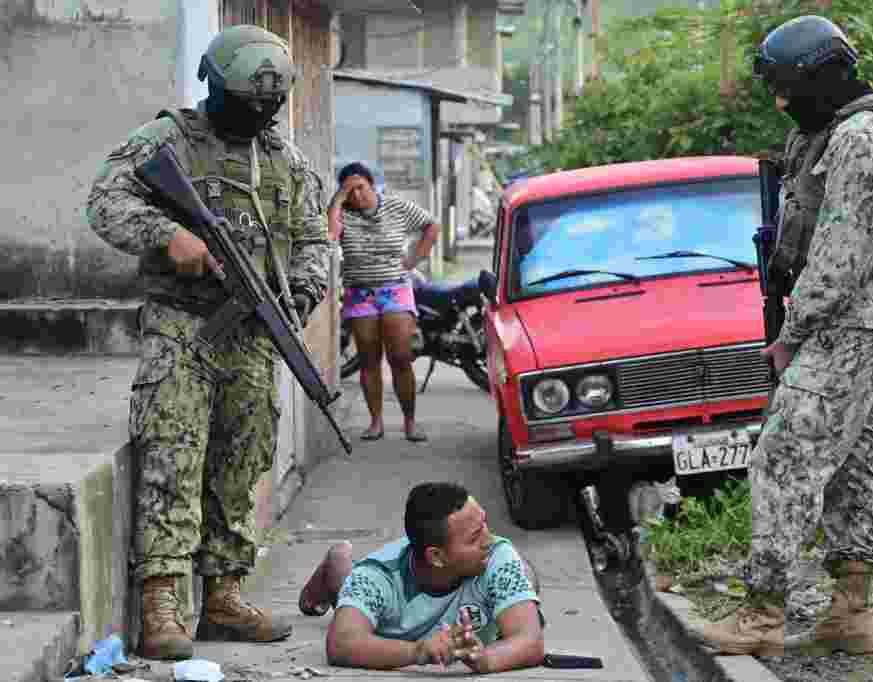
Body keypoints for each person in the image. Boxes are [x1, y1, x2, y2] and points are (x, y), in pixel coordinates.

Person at [86, 25, 331, 660]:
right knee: (173, 457)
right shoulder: (169, 139)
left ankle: (223, 595)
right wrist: (169, 237)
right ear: (217, 87)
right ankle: (161, 603)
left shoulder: (286, 161)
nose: (260, 114)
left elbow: (313, 241)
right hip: (181, 328)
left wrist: (300, 295)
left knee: (241, 462)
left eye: (269, 105)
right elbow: (105, 200)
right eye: (249, 101)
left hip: (251, 338)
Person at [700, 15, 873, 657]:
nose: (780, 101)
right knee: (851, 461)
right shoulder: (844, 129)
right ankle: (854, 613)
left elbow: (840, 255)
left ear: (820, 76)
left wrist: (791, 335)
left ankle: (763, 617)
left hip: (847, 318)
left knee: (783, 456)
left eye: (786, 86)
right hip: (859, 315)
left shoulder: (864, 137)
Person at [297, 482, 545, 673]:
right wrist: (418, 651)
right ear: (437, 557)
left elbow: (530, 641)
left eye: (485, 525)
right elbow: (342, 644)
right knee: (345, 583)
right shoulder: (376, 576)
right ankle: (336, 558)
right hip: (372, 587)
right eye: (474, 538)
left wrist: (485, 659)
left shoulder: (497, 556)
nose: (489, 541)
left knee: (523, 571)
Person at [327, 162, 442, 442]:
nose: (356, 195)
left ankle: (410, 422)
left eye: (360, 188)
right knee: (368, 360)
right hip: (360, 294)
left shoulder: (397, 208)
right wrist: (337, 200)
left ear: (371, 184)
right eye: (348, 191)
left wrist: (415, 259)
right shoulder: (342, 212)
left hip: (395, 291)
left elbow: (432, 225)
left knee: (400, 357)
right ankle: (375, 422)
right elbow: (329, 235)